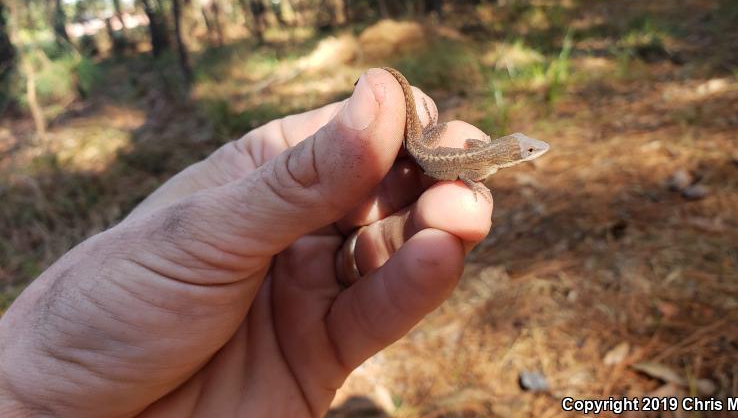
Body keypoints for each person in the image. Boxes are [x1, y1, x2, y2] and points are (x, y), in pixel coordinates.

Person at [0, 68, 493, 417]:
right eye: (527, 150)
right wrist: (26, 399)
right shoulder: (474, 161)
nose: (531, 152)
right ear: (512, 154)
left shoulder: (477, 159)